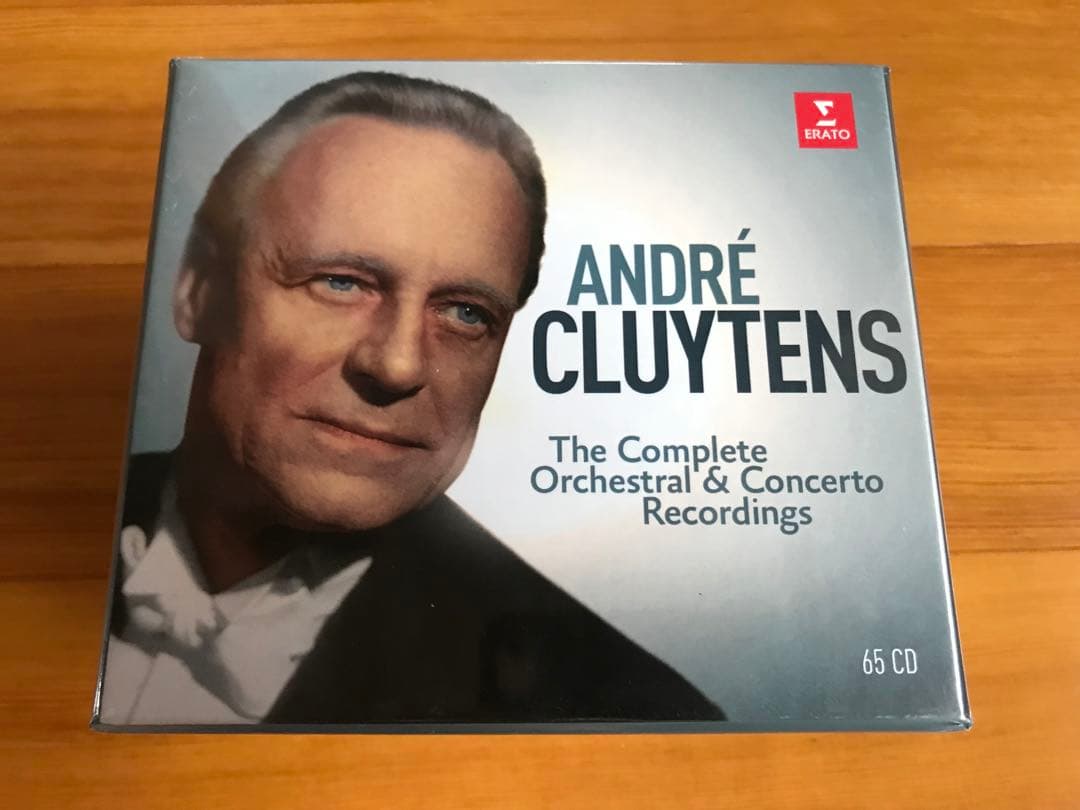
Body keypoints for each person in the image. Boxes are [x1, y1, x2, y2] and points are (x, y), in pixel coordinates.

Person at [96, 71, 724, 727]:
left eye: (466, 313)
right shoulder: (57, 534)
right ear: (197, 290)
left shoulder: (634, 714)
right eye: (341, 282)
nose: (398, 365)